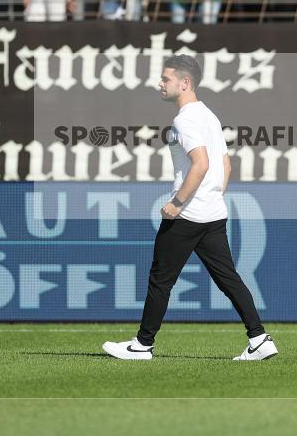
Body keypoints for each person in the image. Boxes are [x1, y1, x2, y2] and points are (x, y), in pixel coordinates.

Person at [102, 55, 277, 362]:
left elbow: (202, 163)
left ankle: (142, 345)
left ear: (185, 83)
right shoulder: (209, 115)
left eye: (165, 78)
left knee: (160, 279)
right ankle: (260, 339)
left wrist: (177, 204)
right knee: (228, 279)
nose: (160, 83)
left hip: (188, 215)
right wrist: (212, 195)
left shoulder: (185, 119)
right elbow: (225, 164)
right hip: (212, 214)